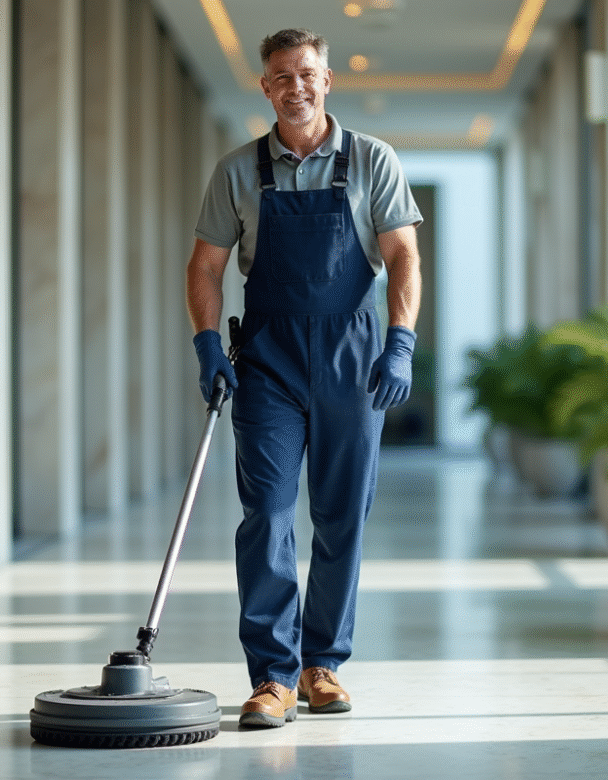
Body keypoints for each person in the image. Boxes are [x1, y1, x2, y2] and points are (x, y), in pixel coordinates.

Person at [185, 27, 422, 729]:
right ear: (265, 87)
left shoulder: (372, 161)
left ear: (327, 80)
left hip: (353, 357)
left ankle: (324, 666)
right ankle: (272, 676)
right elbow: (204, 266)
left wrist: (401, 342)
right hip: (269, 362)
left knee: (342, 516)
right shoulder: (238, 170)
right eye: (282, 76)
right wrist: (206, 344)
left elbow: (403, 254)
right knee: (267, 516)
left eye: (307, 73)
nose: (296, 86)